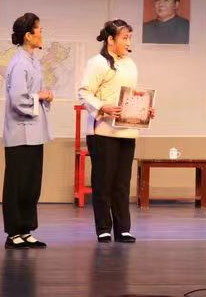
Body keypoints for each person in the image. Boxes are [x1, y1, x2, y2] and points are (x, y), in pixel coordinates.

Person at [79, 20, 155, 243]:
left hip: (127, 130)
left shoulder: (130, 64)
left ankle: (123, 228)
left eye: (130, 38)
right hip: (103, 131)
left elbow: (131, 95)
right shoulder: (97, 63)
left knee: (122, 182)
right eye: (124, 38)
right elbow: (84, 93)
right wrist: (103, 107)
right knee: (103, 182)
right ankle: (104, 227)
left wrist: (145, 109)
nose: (128, 42)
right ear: (111, 40)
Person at [2, 12, 54, 249]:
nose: (42, 33)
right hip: (19, 132)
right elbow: (18, 99)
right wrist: (39, 96)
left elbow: (34, 94)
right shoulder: (19, 63)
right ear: (28, 35)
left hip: (34, 132)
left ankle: (26, 229)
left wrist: (44, 96)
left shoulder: (33, 61)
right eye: (39, 29)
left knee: (31, 184)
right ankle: (13, 232)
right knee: (17, 184)